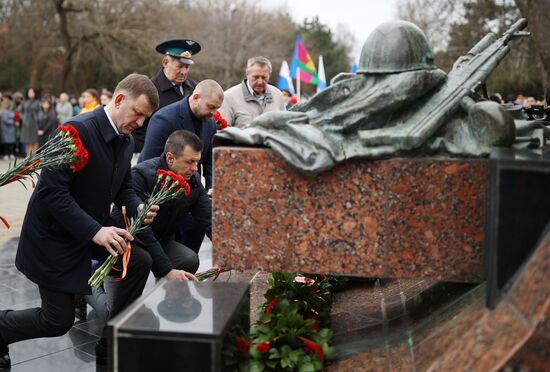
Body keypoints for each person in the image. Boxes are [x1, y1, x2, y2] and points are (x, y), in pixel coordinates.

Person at [0, 73, 160, 369]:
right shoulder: (75, 131)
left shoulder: (125, 142)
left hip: (88, 232)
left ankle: (110, 335)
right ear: (119, 99)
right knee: (56, 321)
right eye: (137, 114)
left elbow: (123, 186)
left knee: (138, 259)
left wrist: (138, 206)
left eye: (145, 119)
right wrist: (96, 231)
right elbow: (51, 193)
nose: (139, 124)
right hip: (54, 239)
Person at [87, 130, 211, 322]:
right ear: (170, 158)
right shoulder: (142, 175)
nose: (195, 168)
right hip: (128, 244)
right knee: (116, 315)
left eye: (197, 162)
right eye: (189, 162)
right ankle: (87, 288)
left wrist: (228, 249)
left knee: (187, 259)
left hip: (160, 241)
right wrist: (167, 270)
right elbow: (141, 230)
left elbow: (207, 217)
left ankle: (159, 295)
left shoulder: (193, 180)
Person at [132, 38, 202, 153]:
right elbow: (137, 131)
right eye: (179, 66)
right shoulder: (149, 89)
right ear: (165, 63)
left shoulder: (194, 88)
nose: (184, 72)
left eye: (187, 67)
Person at [219, 56, 286, 129]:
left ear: (269, 74)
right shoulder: (229, 97)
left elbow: (284, 126)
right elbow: (223, 132)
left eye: (264, 77)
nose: (260, 82)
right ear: (247, 73)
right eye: (256, 77)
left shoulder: (277, 95)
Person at [20, 88, 41, 155]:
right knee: (27, 141)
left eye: (32, 92)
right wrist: (23, 118)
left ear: (34, 93)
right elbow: (21, 111)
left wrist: (37, 117)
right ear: (27, 93)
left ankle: (34, 157)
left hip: (35, 123)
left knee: (35, 141)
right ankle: (28, 158)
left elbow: (40, 111)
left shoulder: (37, 102)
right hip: (26, 123)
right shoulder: (24, 102)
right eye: (29, 92)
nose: (31, 94)